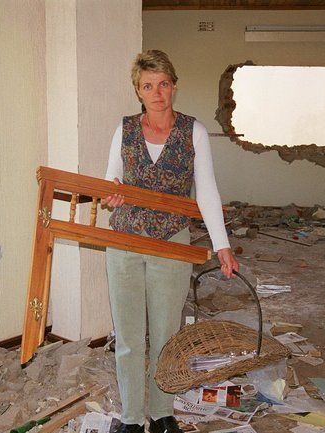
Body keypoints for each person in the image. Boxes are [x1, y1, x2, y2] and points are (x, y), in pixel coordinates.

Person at [102, 50, 239, 433]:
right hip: (125, 240)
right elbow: (110, 181)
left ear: (173, 87)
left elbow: (206, 191)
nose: (157, 92)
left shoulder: (193, 131)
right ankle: (130, 418)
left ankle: (162, 414)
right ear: (138, 91)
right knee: (129, 337)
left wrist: (222, 244)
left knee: (165, 334)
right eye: (148, 86)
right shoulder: (125, 130)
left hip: (172, 242)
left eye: (163, 84)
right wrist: (111, 194)